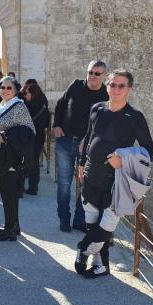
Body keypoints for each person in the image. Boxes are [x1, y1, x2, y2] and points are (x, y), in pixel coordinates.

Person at [75, 70, 153, 278]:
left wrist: (124, 157)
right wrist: (82, 163)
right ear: (107, 86)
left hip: (116, 180)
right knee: (92, 221)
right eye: (113, 85)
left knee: (106, 224)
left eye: (121, 85)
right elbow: (88, 138)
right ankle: (102, 265)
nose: (116, 89)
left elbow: (149, 150)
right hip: (92, 175)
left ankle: (83, 249)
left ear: (129, 89)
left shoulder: (135, 117)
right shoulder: (97, 108)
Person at [53, 60, 109, 233]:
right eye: (90, 72)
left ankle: (79, 220)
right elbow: (61, 104)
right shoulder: (76, 85)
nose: (92, 76)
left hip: (88, 147)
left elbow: (105, 124)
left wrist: (89, 140)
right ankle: (64, 218)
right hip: (65, 141)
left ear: (104, 76)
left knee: (85, 184)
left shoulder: (106, 96)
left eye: (97, 73)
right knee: (64, 183)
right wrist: (56, 125)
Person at [0, 76, 35, 241]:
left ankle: (10, 229)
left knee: (9, 194)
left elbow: (29, 131)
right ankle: (13, 226)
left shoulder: (19, 106)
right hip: (3, 156)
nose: (5, 90)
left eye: (9, 88)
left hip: (10, 158)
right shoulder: (3, 105)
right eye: (2, 87)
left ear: (15, 90)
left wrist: (8, 136)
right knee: (7, 193)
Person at [20, 82, 50, 195]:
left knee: (24, 161)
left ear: (32, 94)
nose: (25, 95)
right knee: (34, 162)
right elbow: (47, 123)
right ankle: (33, 187)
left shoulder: (26, 106)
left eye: (26, 93)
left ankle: (20, 187)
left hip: (28, 136)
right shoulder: (43, 105)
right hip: (39, 136)